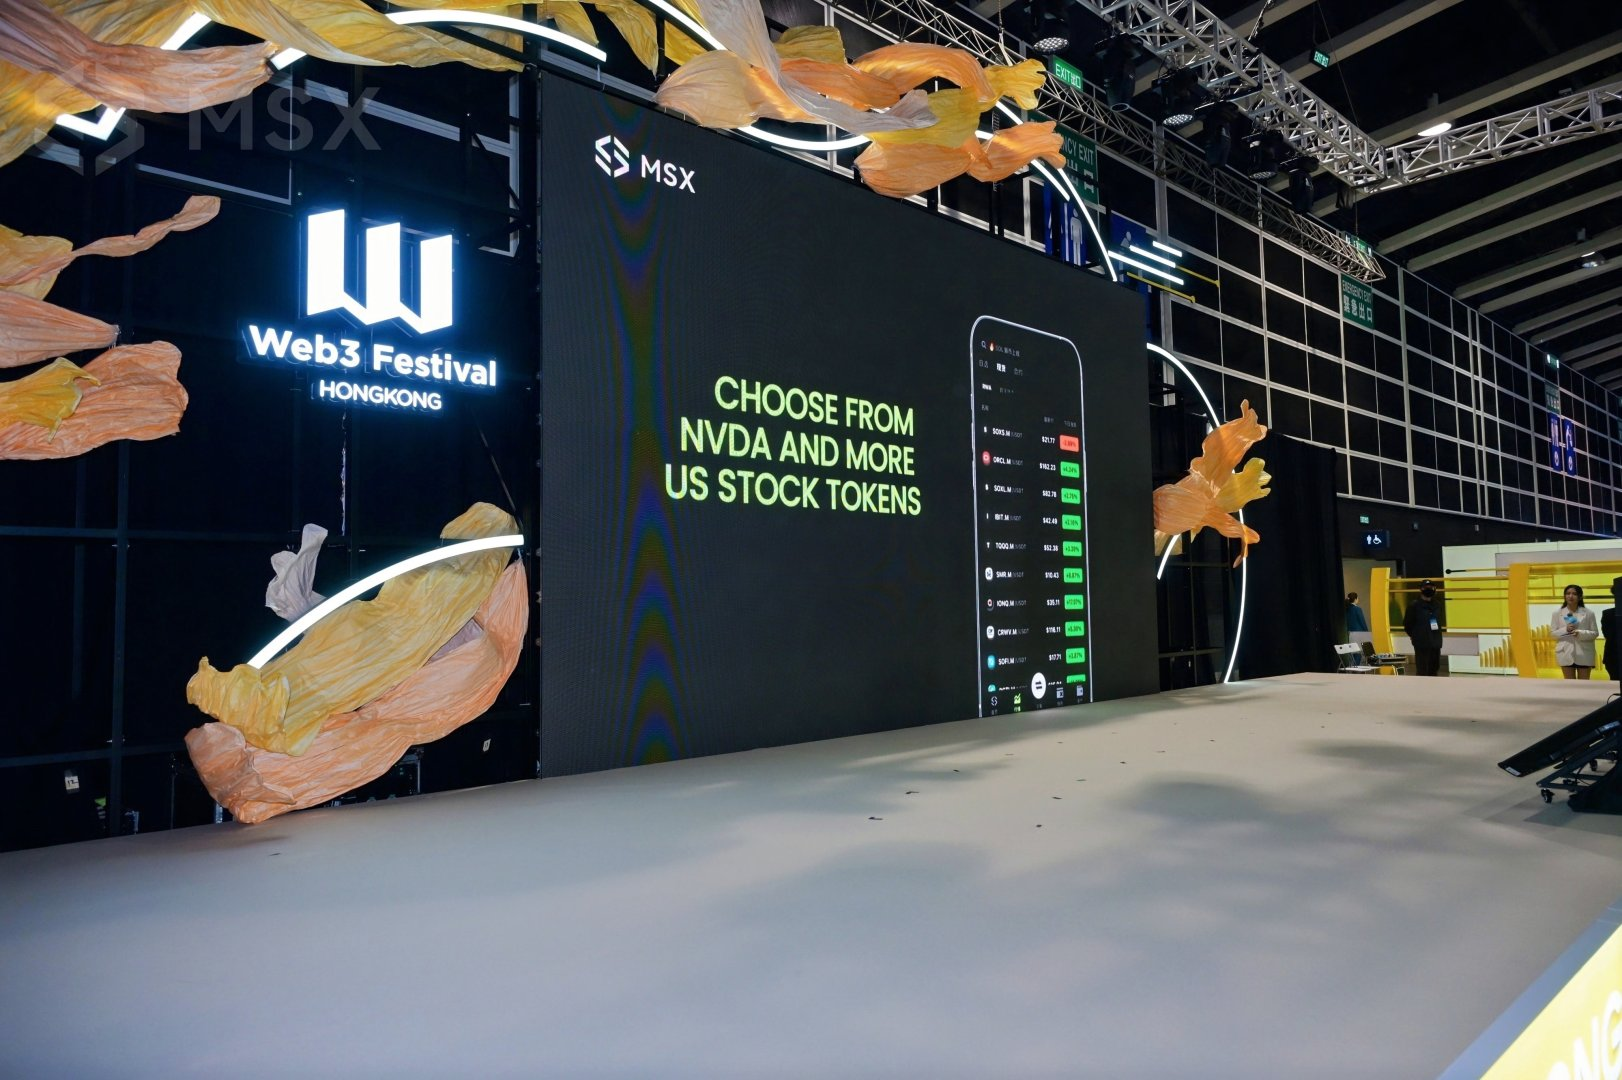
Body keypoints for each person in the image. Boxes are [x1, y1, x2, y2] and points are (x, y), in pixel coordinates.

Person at [1550, 583, 1599, 680]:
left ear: (1580, 597)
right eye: (1568, 593)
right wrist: (1565, 629)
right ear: (1564, 596)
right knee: (1569, 685)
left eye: (1574, 594)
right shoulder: (1557, 613)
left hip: (1584, 653)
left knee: (1584, 684)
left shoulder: (1589, 613)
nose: (1570, 596)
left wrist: (1580, 633)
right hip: (1565, 652)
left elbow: (1595, 633)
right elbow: (1552, 634)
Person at [1403, 578, 1444, 676]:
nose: (1429, 589)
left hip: (1435, 642)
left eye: (1431, 587)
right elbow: (1407, 624)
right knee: (1422, 670)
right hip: (1421, 643)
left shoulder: (1437, 605)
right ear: (1421, 589)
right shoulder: (1414, 605)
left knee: (1434, 669)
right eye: (1426, 587)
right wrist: (1414, 635)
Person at [1602, 577, 1622, 693]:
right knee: (1616, 686)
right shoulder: (1608, 614)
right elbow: (1608, 635)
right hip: (1614, 657)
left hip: (1613, 656)